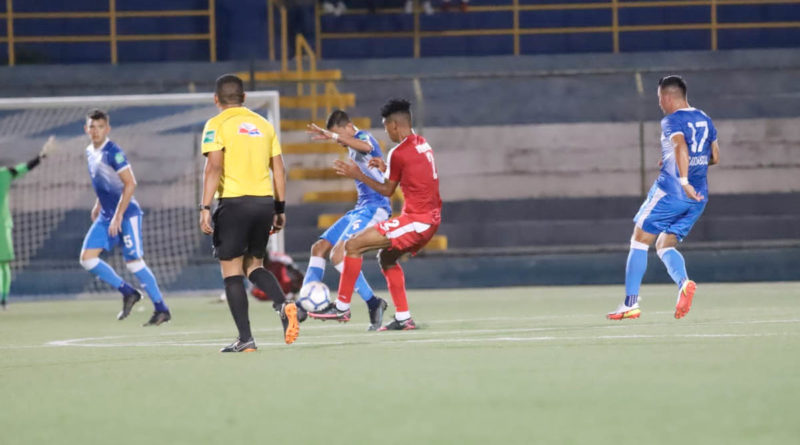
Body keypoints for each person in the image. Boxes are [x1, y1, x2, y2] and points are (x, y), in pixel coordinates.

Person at [309, 98, 441, 330]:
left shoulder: (398, 152)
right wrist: (385, 168)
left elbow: (386, 190)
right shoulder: (422, 144)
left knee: (353, 245)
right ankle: (403, 318)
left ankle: (341, 307)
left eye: (386, 126)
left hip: (417, 220)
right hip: (428, 217)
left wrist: (356, 173)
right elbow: (412, 175)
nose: (386, 132)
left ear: (394, 126)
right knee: (386, 257)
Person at [199, 73, 299, 352]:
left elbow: (214, 167)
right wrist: (280, 208)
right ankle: (283, 304)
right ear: (244, 98)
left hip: (234, 203)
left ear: (216, 99)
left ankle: (246, 339)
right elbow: (279, 169)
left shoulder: (215, 124)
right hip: (264, 203)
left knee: (231, 273)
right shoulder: (264, 125)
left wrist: (205, 207)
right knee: (254, 266)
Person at [607, 75, 720, 321]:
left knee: (639, 239)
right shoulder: (705, 118)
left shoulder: (672, 120)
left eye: (659, 98)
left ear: (668, 97)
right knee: (664, 244)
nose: (659, 103)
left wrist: (683, 180)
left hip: (673, 192)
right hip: (698, 197)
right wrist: (682, 168)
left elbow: (680, 146)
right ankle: (683, 283)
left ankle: (630, 304)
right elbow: (714, 156)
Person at [79, 110, 171, 326]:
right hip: (106, 215)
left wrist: (118, 215)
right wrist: (98, 204)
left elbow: (130, 183)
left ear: (107, 129)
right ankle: (129, 292)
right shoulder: (89, 151)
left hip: (127, 215)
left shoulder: (114, 152)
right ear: (86, 129)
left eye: (100, 126)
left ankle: (161, 309)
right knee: (87, 258)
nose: (96, 131)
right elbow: (104, 183)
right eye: (92, 126)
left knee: (134, 263)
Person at [305, 110, 391, 330]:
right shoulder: (352, 147)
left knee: (338, 254)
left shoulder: (363, 137)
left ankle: (349, 306)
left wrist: (332, 136)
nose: (340, 142)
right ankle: (303, 304)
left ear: (348, 127)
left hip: (375, 208)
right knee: (319, 247)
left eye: (339, 135)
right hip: (359, 209)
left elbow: (367, 147)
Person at [0, 137, 56, 310]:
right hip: (4, 225)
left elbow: (24, 168)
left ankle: (3, 300)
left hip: (2, 225)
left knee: (3, 264)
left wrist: (41, 157)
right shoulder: (5, 173)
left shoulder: (4, 174)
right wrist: (41, 157)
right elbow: (24, 168)